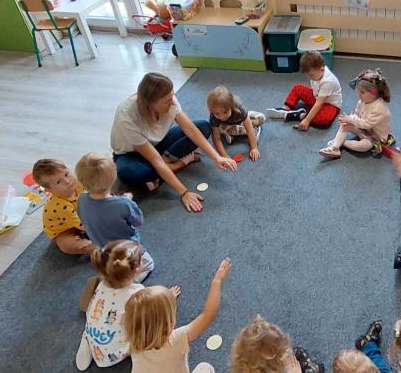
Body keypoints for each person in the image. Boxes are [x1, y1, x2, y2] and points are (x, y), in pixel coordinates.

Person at [111, 72, 236, 212]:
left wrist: (216, 157)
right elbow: (156, 160)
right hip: (131, 154)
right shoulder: (127, 117)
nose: (173, 102)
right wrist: (184, 192)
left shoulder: (169, 99)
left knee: (203, 127)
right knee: (131, 173)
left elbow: (191, 130)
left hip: (158, 143)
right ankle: (181, 162)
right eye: (167, 100)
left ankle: (161, 173)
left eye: (172, 96)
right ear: (150, 104)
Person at [76, 153, 154, 281]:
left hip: (101, 247)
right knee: (148, 264)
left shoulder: (81, 199)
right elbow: (138, 222)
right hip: (126, 247)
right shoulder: (123, 204)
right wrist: (127, 201)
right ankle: (128, 281)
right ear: (113, 177)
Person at [75, 240, 145, 371]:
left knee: (98, 315)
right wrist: (167, 296)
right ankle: (138, 358)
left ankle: (88, 340)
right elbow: (151, 311)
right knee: (145, 330)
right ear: (137, 270)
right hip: (117, 351)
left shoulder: (102, 284)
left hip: (96, 337)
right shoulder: (137, 293)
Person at [319, 69, 393, 159]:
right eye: (358, 92)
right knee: (345, 125)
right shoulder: (362, 101)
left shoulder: (379, 108)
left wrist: (351, 119)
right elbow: (357, 114)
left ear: (374, 93)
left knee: (363, 146)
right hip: (363, 129)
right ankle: (335, 148)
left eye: (362, 92)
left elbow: (366, 124)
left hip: (375, 136)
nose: (359, 95)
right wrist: (349, 119)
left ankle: (341, 143)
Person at [31, 158, 94, 256]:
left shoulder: (77, 184)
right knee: (67, 245)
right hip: (64, 230)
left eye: (66, 174)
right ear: (50, 190)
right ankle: (97, 248)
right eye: (58, 182)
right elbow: (81, 224)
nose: (67, 181)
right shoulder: (60, 206)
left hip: (80, 215)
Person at [266, 50, 342, 130]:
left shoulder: (328, 82)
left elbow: (319, 103)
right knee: (297, 88)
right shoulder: (317, 71)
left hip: (330, 104)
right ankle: (286, 108)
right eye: (307, 75)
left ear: (322, 69)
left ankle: (300, 115)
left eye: (311, 75)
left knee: (325, 119)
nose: (309, 78)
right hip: (317, 96)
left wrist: (307, 120)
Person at [207, 85, 264, 162]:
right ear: (211, 111)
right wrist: (224, 155)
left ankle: (233, 132)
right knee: (214, 129)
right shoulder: (213, 117)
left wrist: (254, 148)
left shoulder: (239, 109)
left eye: (225, 112)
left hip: (239, 121)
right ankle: (231, 131)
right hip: (224, 126)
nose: (222, 116)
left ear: (231, 106)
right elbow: (216, 138)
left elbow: (249, 129)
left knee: (261, 118)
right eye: (217, 114)